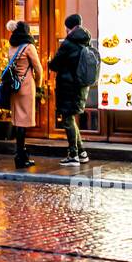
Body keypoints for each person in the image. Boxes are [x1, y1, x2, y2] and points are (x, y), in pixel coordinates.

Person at [48, 13, 94, 166]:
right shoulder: (86, 41)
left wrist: (50, 61)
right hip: (81, 86)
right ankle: (82, 153)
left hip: (68, 87)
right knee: (71, 120)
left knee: (67, 120)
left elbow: (54, 64)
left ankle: (73, 154)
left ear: (69, 27)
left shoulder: (68, 43)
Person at [7, 21, 45, 169]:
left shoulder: (11, 47)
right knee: (24, 121)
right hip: (27, 86)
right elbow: (38, 69)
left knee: (18, 120)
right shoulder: (28, 47)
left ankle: (20, 154)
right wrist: (39, 85)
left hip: (14, 86)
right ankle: (21, 157)